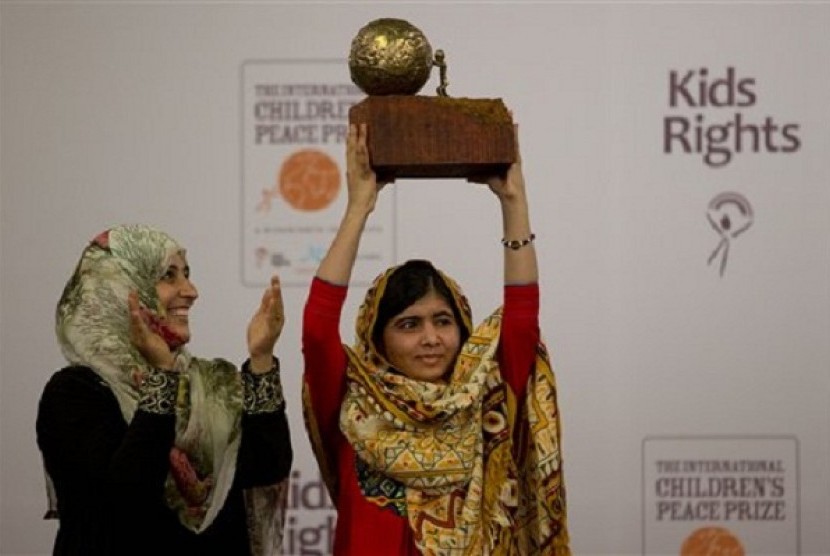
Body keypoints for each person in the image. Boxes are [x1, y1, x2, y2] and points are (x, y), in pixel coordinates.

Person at [302, 124, 569, 555]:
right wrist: (358, 210)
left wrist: (513, 202)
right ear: (378, 340)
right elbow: (317, 330)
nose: (431, 338)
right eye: (409, 325)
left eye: (442, 321)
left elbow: (521, 319)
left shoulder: (486, 397)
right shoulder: (352, 398)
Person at [36, 224, 293, 556]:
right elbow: (123, 498)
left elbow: (267, 465)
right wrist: (161, 379)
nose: (191, 290)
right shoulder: (75, 393)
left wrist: (261, 359)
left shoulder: (207, 386)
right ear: (120, 288)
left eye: (187, 274)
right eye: (169, 276)